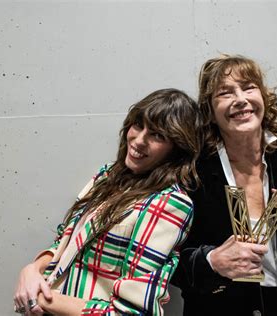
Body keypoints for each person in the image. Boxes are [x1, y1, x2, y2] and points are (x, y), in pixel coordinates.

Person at [14, 88, 202, 315]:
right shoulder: (107, 176)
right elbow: (65, 240)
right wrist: (32, 270)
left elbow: (130, 312)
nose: (139, 140)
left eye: (157, 136)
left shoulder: (169, 204)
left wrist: (42, 299)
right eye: (138, 125)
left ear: (177, 149)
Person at [172, 54, 277, 315]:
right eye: (224, 93)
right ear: (211, 113)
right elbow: (168, 260)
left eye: (248, 87)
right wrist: (211, 261)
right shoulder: (193, 166)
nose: (240, 99)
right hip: (220, 307)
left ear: (262, 96)